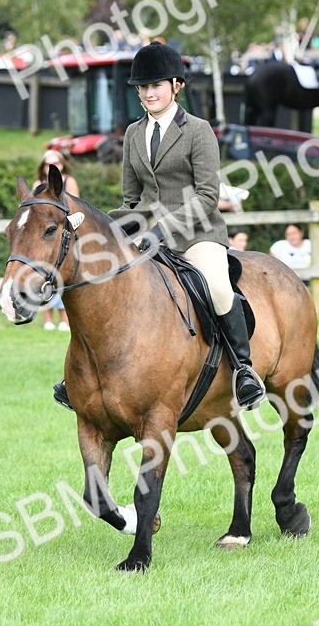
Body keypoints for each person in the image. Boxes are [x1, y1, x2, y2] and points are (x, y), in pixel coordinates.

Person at [57, 40, 265, 411]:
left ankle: (243, 370)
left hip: (197, 234)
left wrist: (163, 229)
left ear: (176, 86)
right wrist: (93, 225)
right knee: (101, 281)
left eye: (156, 85)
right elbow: (130, 202)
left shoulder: (199, 130)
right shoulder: (134, 134)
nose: (148, 93)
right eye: (143, 87)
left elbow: (206, 196)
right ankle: (82, 375)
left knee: (217, 287)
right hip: (146, 235)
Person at [37, 151, 79, 332]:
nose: (52, 166)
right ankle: (47, 319)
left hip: (65, 232)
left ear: (62, 164)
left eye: (56, 163)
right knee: (43, 274)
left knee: (64, 276)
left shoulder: (69, 182)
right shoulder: (38, 185)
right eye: (48, 164)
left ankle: (64, 319)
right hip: (45, 235)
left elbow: (76, 205)